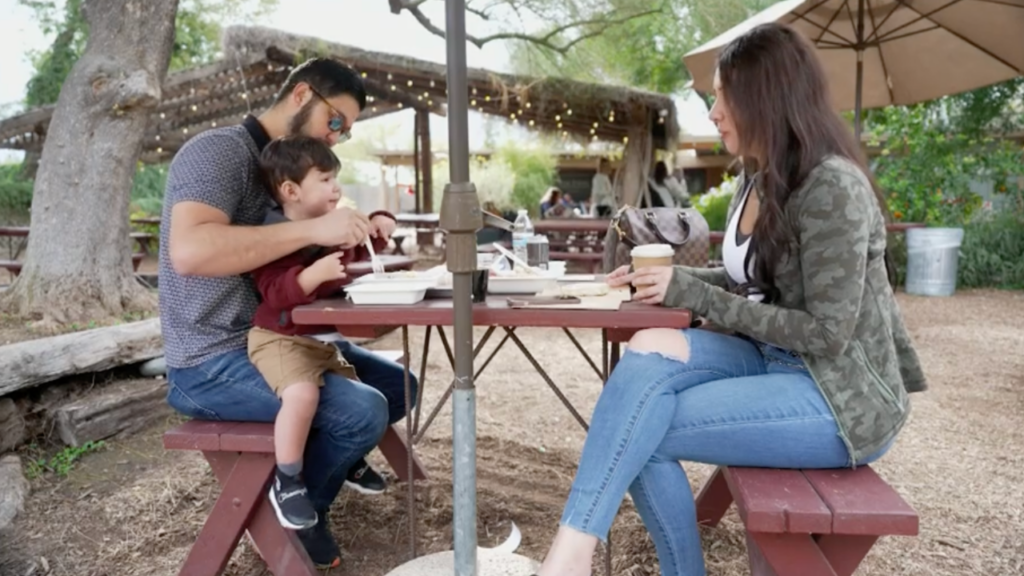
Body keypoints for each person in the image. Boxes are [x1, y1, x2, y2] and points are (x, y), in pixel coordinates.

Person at [535, 23, 927, 576]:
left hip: (840, 396)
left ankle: (588, 560)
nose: (714, 113)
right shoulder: (758, 175)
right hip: (773, 358)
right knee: (647, 348)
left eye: (723, 97)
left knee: (642, 430)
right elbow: (751, 279)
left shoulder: (831, 187)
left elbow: (827, 332)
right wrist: (666, 277)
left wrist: (692, 292)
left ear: (766, 96)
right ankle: (573, 550)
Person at [159, 57, 417, 569]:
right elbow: (188, 252)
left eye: (345, 130)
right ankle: (296, 514)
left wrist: (363, 227)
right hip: (209, 359)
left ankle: (307, 485)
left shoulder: (293, 166)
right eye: (335, 121)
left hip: (284, 339)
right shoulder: (219, 152)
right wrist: (313, 230)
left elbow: (312, 253)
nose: (337, 136)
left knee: (399, 387)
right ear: (301, 95)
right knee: (362, 411)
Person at [248, 135, 394, 530]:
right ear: (291, 190)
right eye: (325, 180)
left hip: (319, 342)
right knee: (303, 395)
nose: (336, 188)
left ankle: (348, 459)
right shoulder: (275, 234)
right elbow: (274, 292)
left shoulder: (326, 228)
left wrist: (376, 226)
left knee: (369, 392)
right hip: (279, 339)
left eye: (335, 179)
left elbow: (356, 252)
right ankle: (288, 480)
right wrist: (313, 274)